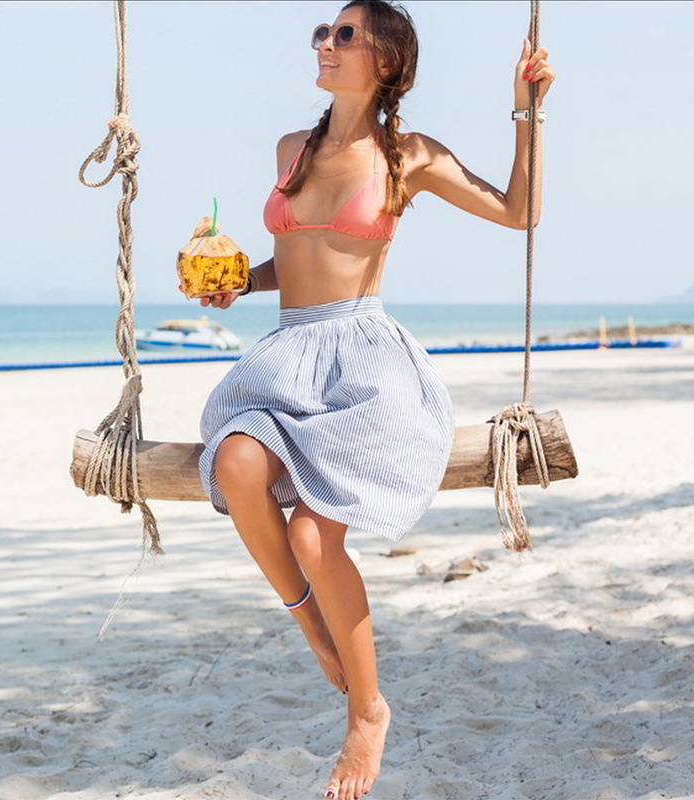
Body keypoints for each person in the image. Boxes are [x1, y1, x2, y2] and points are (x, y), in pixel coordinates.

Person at [191, 2, 554, 798]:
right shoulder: (292, 149)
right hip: (289, 355)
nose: (325, 42)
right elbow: (297, 256)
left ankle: (367, 711)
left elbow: (518, 212)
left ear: (386, 61)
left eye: (344, 34)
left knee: (317, 540)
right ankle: (310, 625)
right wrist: (237, 280)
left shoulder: (410, 157)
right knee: (238, 461)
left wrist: (526, 111)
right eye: (323, 31)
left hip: (365, 362)